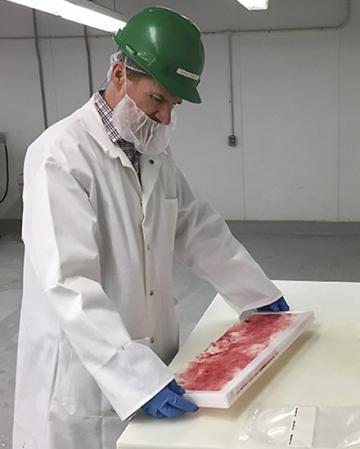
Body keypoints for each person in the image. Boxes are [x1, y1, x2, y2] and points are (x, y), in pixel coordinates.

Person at [13, 6, 288, 449]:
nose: (164, 118)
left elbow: (197, 227)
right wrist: (133, 376)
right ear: (120, 73)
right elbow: (69, 283)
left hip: (153, 357)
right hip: (86, 374)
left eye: (173, 106)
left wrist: (257, 293)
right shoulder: (59, 156)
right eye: (157, 99)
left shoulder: (151, 150)